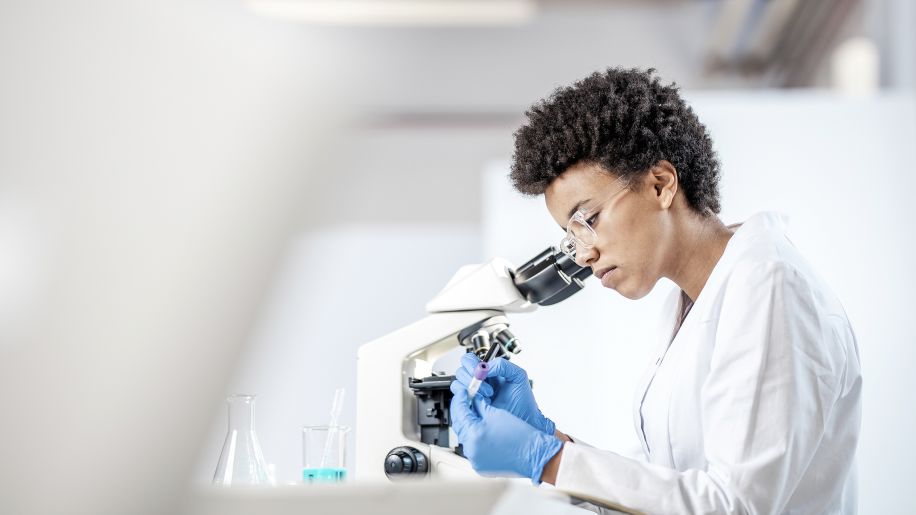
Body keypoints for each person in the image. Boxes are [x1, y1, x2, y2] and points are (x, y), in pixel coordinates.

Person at [449, 67, 862, 514]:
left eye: (587, 220)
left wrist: (552, 462)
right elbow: (669, 487)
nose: (583, 255)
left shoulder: (769, 287)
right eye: (570, 236)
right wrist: (553, 442)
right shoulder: (688, 305)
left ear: (661, 184)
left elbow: (734, 505)